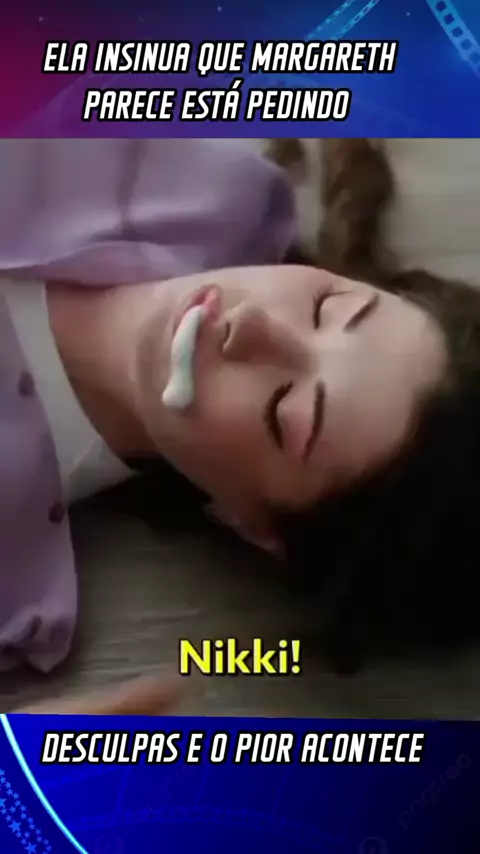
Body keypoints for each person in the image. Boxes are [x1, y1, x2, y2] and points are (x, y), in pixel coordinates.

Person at [1, 138, 480, 682]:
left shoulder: (14, 583)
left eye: (285, 412)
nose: (251, 325)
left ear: (252, 525)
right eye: (328, 307)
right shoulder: (199, 177)